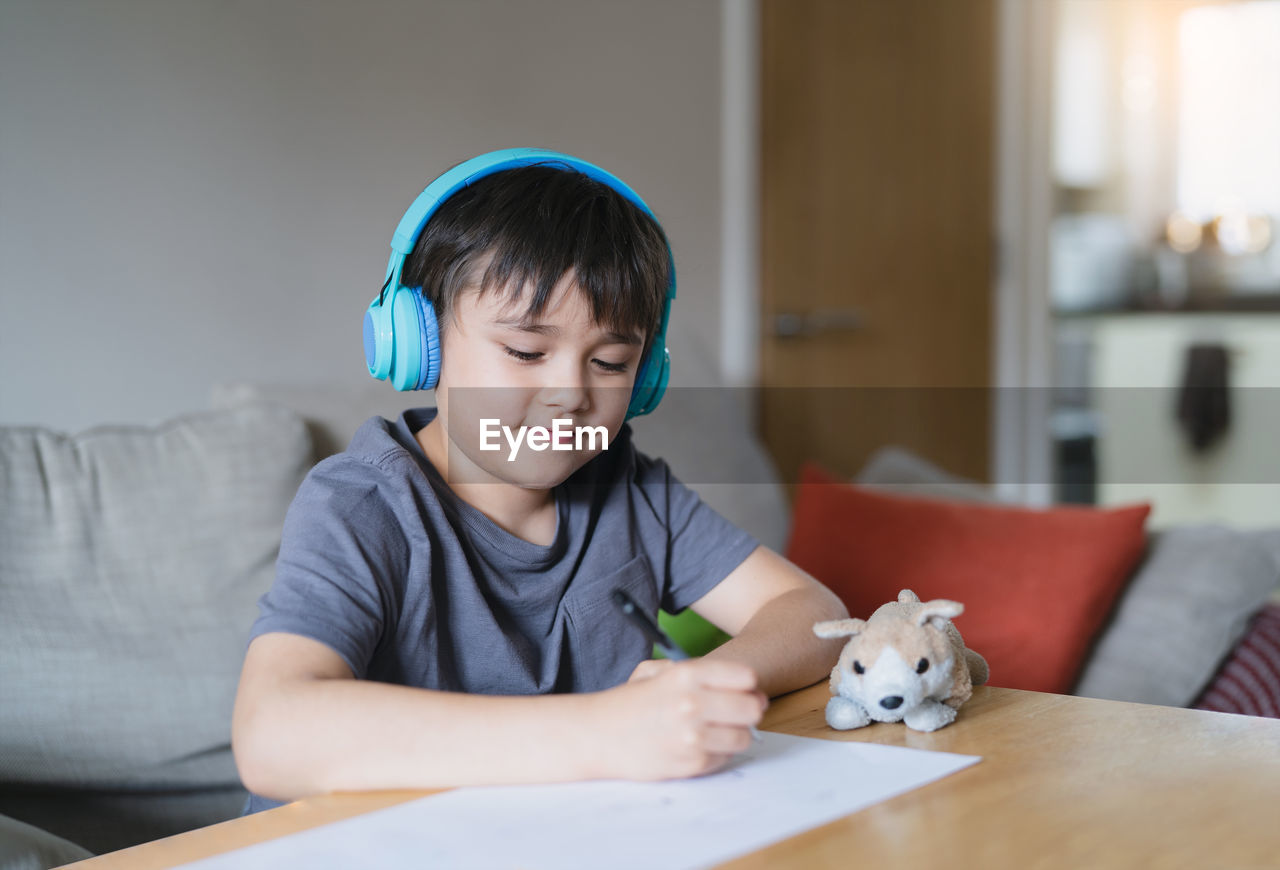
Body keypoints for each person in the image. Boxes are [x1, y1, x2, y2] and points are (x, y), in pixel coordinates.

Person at [231, 150, 848, 812]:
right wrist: (605, 732)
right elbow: (271, 734)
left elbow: (814, 616)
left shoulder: (633, 490)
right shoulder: (361, 505)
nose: (571, 395)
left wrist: (692, 693)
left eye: (611, 362)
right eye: (526, 352)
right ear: (419, 343)